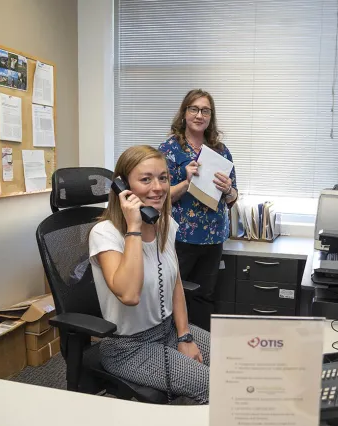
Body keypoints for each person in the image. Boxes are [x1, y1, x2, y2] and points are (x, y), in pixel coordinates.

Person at [89, 145, 210, 404]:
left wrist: (184, 335)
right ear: (122, 187)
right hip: (128, 348)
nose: (158, 187)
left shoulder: (165, 224)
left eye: (163, 178)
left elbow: (175, 282)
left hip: (168, 331)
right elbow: (129, 294)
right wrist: (134, 226)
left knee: (236, 364)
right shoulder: (104, 234)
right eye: (146, 179)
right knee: (214, 388)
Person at [159, 89, 238, 332]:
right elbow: (160, 197)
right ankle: (177, 343)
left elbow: (234, 197)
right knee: (176, 294)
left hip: (213, 236)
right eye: (193, 109)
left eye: (205, 110)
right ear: (184, 113)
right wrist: (186, 181)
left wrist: (227, 190)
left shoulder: (220, 150)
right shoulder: (169, 150)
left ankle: (202, 347)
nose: (199, 115)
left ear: (210, 117)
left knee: (206, 295)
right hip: (181, 237)